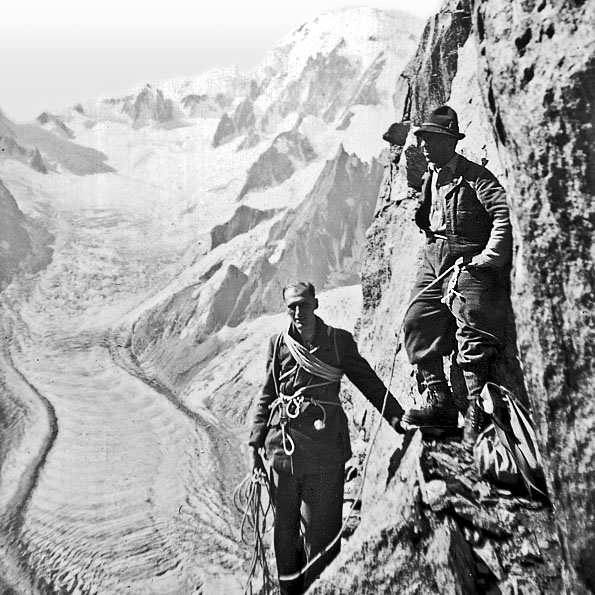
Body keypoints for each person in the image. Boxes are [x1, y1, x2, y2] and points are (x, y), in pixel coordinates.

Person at [249, 282, 404, 595]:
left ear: (315, 304)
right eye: (291, 306)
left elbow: (368, 382)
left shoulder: (337, 342)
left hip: (324, 452)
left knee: (323, 534)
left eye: (303, 305)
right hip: (284, 451)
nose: (297, 313)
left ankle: (322, 589)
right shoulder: (278, 344)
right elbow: (268, 394)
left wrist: (396, 417)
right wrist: (255, 442)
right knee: (285, 533)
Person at [400, 105, 512, 444]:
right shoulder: (430, 177)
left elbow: (504, 213)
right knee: (415, 318)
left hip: (466, 260)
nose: (423, 146)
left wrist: (488, 258)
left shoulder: (475, 176)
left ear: (449, 141)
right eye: (421, 140)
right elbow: (427, 218)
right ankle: (439, 401)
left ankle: (479, 413)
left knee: (473, 324)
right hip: (433, 258)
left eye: (430, 140)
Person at [376, 122, 409, 214]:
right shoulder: (392, 170)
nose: (392, 149)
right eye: (391, 145)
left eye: (395, 145)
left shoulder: (407, 170)